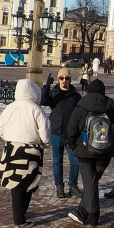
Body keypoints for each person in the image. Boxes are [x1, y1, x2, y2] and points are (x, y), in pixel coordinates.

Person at [66, 79, 114, 226]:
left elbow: (72, 128)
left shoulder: (82, 105)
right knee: (92, 182)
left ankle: (93, 216)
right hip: (105, 151)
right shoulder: (111, 106)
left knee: (90, 182)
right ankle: (82, 213)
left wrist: (73, 145)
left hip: (84, 151)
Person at [0, 78, 49, 228]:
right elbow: (45, 133)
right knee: (28, 183)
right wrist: (43, 144)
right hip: (31, 150)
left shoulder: (9, 108)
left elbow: (1, 129)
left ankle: (20, 215)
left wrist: (10, 139)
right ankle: (20, 219)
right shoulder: (36, 109)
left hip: (12, 147)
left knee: (15, 183)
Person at [41, 68, 82, 199]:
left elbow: (81, 114)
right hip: (56, 133)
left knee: (75, 161)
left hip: (71, 135)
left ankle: (73, 186)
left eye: (67, 78)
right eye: (61, 78)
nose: (64, 80)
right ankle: (59, 187)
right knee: (57, 162)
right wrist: (47, 85)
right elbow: (42, 100)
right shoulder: (54, 94)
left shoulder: (76, 96)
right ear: (58, 80)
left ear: (70, 80)